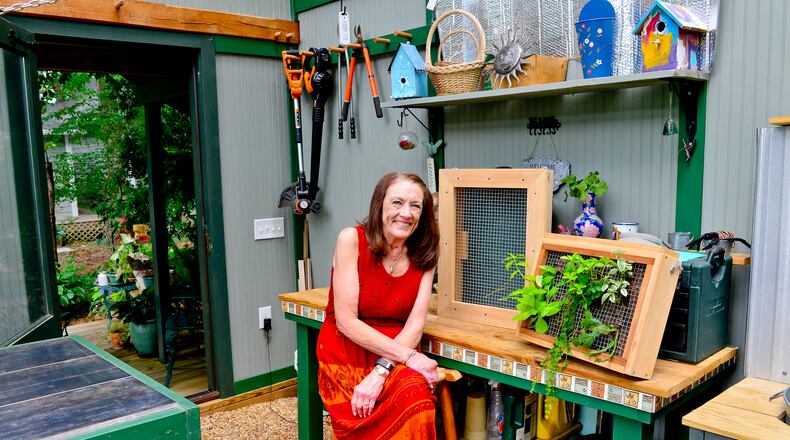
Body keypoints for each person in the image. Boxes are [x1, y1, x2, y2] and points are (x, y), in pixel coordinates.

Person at [317, 172, 441, 439]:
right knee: (360, 409)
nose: (406, 213)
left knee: (418, 402)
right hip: (346, 352)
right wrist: (408, 357)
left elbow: (415, 326)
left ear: (423, 214)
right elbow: (346, 321)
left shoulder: (426, 251)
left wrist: (381, 370)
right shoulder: (351, 240)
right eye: (397, 203)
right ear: (380, 205)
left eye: (415, 206)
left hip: (395, 352)